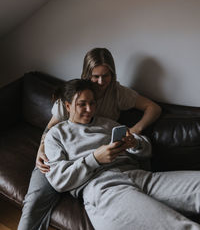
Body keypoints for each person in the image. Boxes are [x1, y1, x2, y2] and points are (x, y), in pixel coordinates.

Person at [18, 48, 161, 230]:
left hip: (100, 158)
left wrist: (135, 131)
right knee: (35, 199)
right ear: (87, 74)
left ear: (112, 73)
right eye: (95, 76)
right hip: (64, 152)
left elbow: (153, 108)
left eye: (106, 75)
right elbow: (51, 127)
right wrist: (41, 148)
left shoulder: (118, 93)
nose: (101, 82)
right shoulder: (74, 94)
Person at [44, 79, 200, 230]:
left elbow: (147, 150)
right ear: (68, 106)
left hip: (139, 176)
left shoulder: (107, 123)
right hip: (104, 187)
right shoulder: (57, 134)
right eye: (82, 104)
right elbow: (58, 180)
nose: (89, 109)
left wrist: (135, 143)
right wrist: (95, 159)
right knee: (176, 225)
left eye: (92, 103)